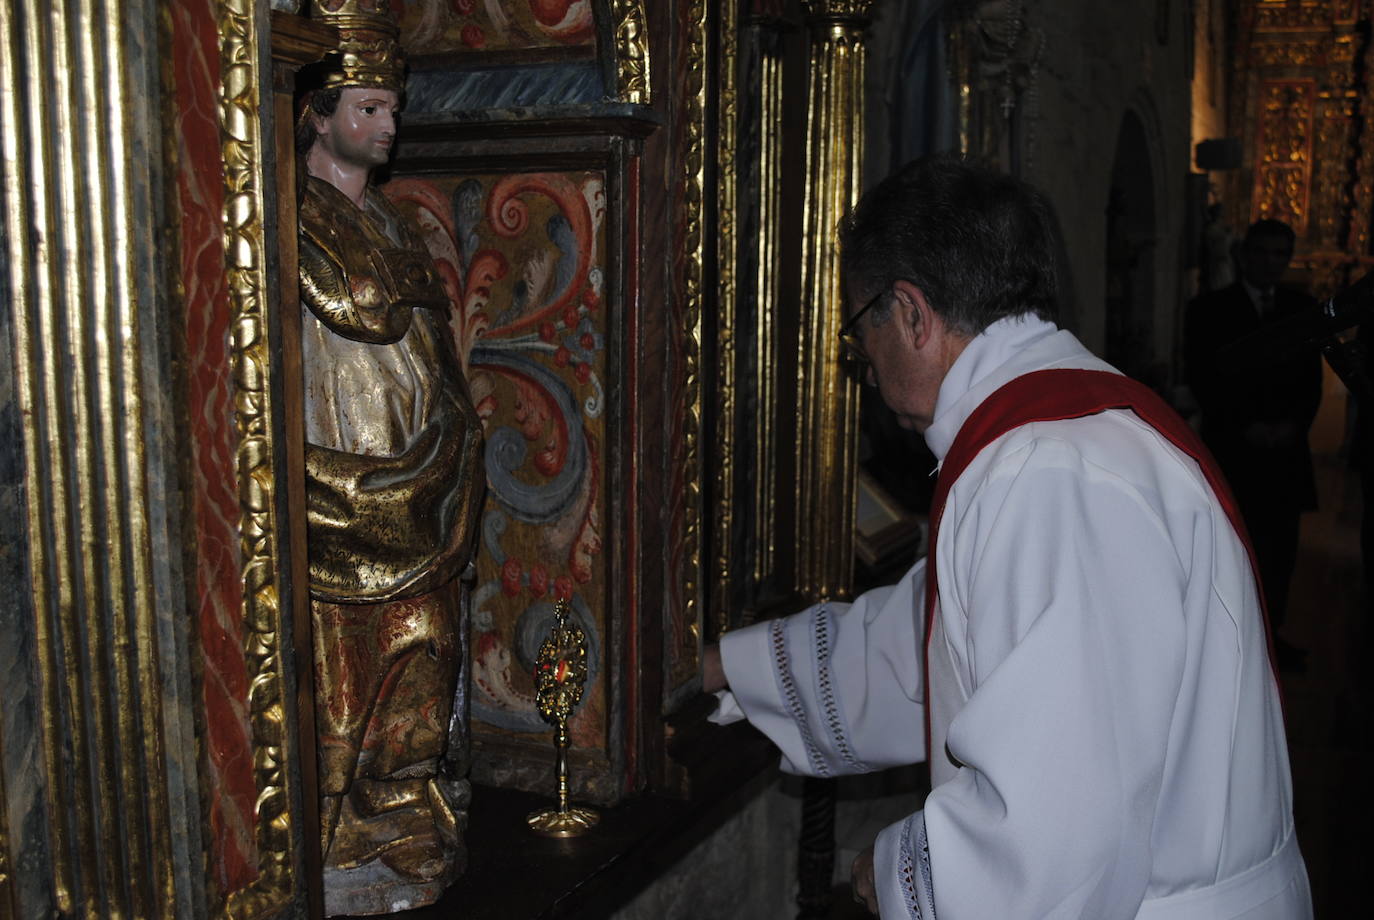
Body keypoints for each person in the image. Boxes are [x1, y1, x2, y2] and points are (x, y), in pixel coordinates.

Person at [704, 155, 1309, 918]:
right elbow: (933, 634)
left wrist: (892, 872)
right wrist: (729, 664)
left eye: (861, 331)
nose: (864, 361)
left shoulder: (1051, 472)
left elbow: (1056, 817)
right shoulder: (1049, 439)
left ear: (912, 313)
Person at [295, 2, 485, 913]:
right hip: (338, 488)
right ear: (319, 113)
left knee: (428, 648)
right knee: (344, 676)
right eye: (368, 107)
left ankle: (403, 809)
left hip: (424, 478)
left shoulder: (404, 230)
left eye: (392, 110)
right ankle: (336, 828)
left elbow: (435, 356)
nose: (388, 126)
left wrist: (454, 446)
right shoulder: (286, 227)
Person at [1184, 219, 1323, 671]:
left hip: (1284, 453)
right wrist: (1244, 426)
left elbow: (1311, 383)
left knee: (1280, 551)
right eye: (1261, 252)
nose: (1269, 263)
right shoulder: (1209, 309)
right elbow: (1205, 376)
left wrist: (1293, 426)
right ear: (1244, 255)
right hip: (1234, 449)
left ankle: (1271, 639)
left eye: (1279, 254)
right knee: (1232, 549)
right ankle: (1228, 642)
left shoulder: (1302, 309)